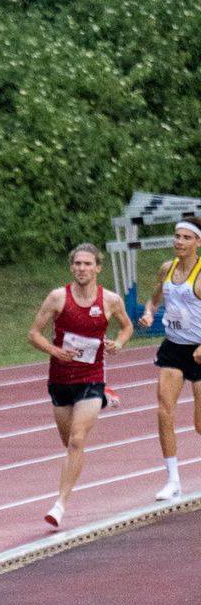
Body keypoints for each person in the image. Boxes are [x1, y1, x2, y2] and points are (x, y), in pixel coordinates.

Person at [27, 245, 133, 530]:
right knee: (69, 444)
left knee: (76, 440)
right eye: (77, 264)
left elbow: (126, 326)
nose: (82, 268)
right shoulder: (58, 297)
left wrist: (118, 343)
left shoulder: (110, 300)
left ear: (98, 268)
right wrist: (54, 350)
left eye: (87, 264)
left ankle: (59, 504)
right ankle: (103, 400)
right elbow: (33, 334)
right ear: (71, 267)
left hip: (92, 376)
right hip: (61, 379)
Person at [139, 217, 201, 502]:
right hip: (173, 348)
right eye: (177, 236)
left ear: (197, 243)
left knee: (199, 425)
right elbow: (154, 299)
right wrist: (150, 312)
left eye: (186, 237)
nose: (179, 241)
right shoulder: (167, 269)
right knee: (164, 411)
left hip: (199, 351)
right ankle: (173, 480)